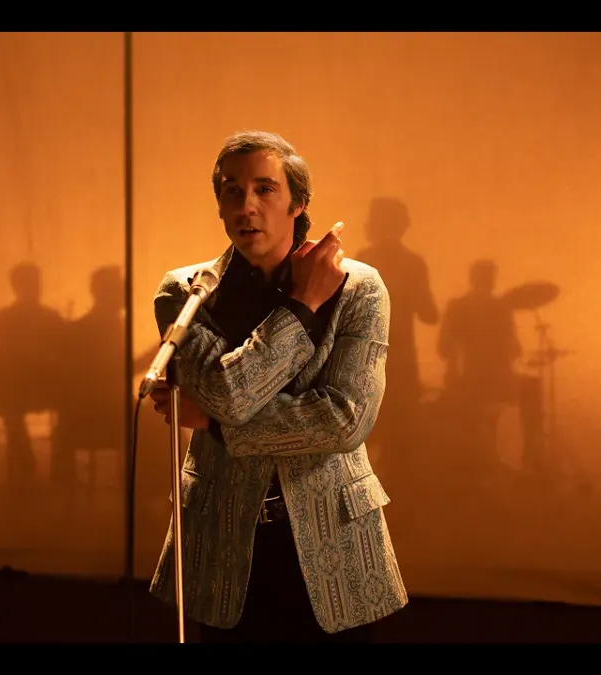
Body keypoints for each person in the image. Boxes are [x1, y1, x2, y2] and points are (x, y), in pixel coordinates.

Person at [146, 130, 407, 643]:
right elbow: (228, 394)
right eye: (232, 191)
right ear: (220, 206)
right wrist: (301, 306)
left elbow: (344, 421)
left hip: (334, 532)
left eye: (265, 189)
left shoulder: (359, 288)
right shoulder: (186, 291)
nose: (247, 206)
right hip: (221, 535)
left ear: (298, 203)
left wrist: (216, 424)